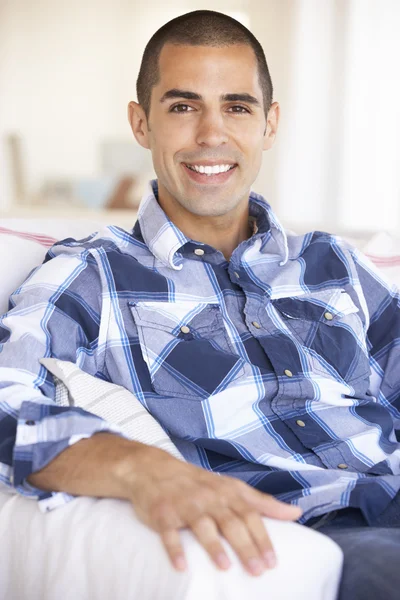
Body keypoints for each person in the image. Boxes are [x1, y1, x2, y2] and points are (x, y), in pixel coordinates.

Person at [1, 9, 400, 599]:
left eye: (237, 106)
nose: (212, 134)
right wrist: (138, 469)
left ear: (269, 123)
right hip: (323, 532)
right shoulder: (92, 274)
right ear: (142, 123)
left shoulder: (335, 264)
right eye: (183, 107)